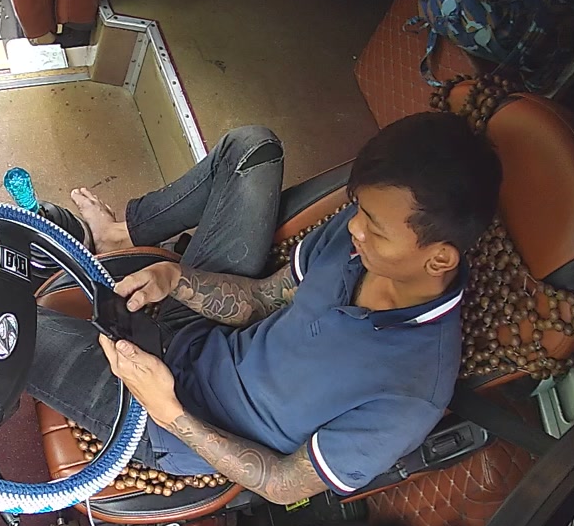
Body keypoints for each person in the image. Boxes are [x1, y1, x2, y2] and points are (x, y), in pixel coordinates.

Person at [26, 113, 502, 504]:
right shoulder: (356, 240)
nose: (354, 228)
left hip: (169, 423)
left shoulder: (410, 394)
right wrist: (176, 280)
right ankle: (120, 234)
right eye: (358, 209)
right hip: (200, 335)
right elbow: (262, 301)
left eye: (375, 228)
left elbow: (282, 484)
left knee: (4, 329)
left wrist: (168, 410)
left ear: (439, 258)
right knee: (250, 149)